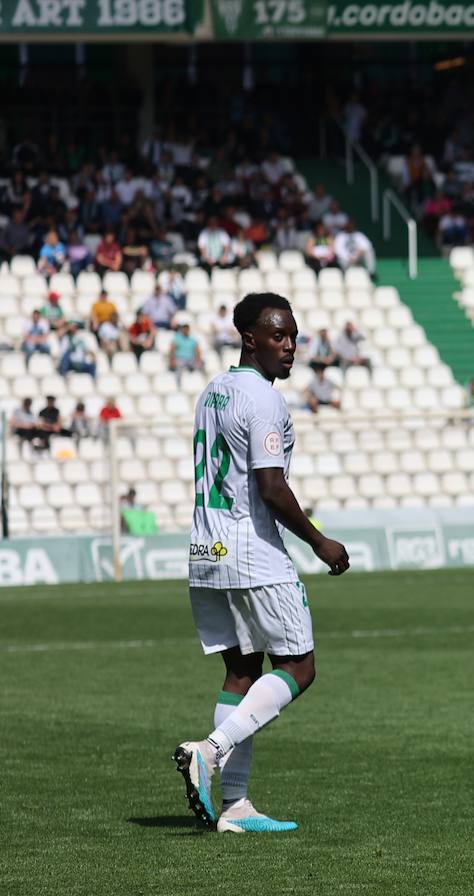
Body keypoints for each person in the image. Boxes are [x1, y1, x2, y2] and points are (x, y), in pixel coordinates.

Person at [174, 292, 350, 835]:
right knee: (299, 667)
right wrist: (320, 542)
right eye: (278, 336)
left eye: (293, 335)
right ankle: (211, 749)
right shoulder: (264, 400)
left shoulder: (213, 392)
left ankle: (234, 806)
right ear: (250, 338)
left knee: (242, 671)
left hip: (206, 550)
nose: (289, 346)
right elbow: (271, 488)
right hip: (251, 550)